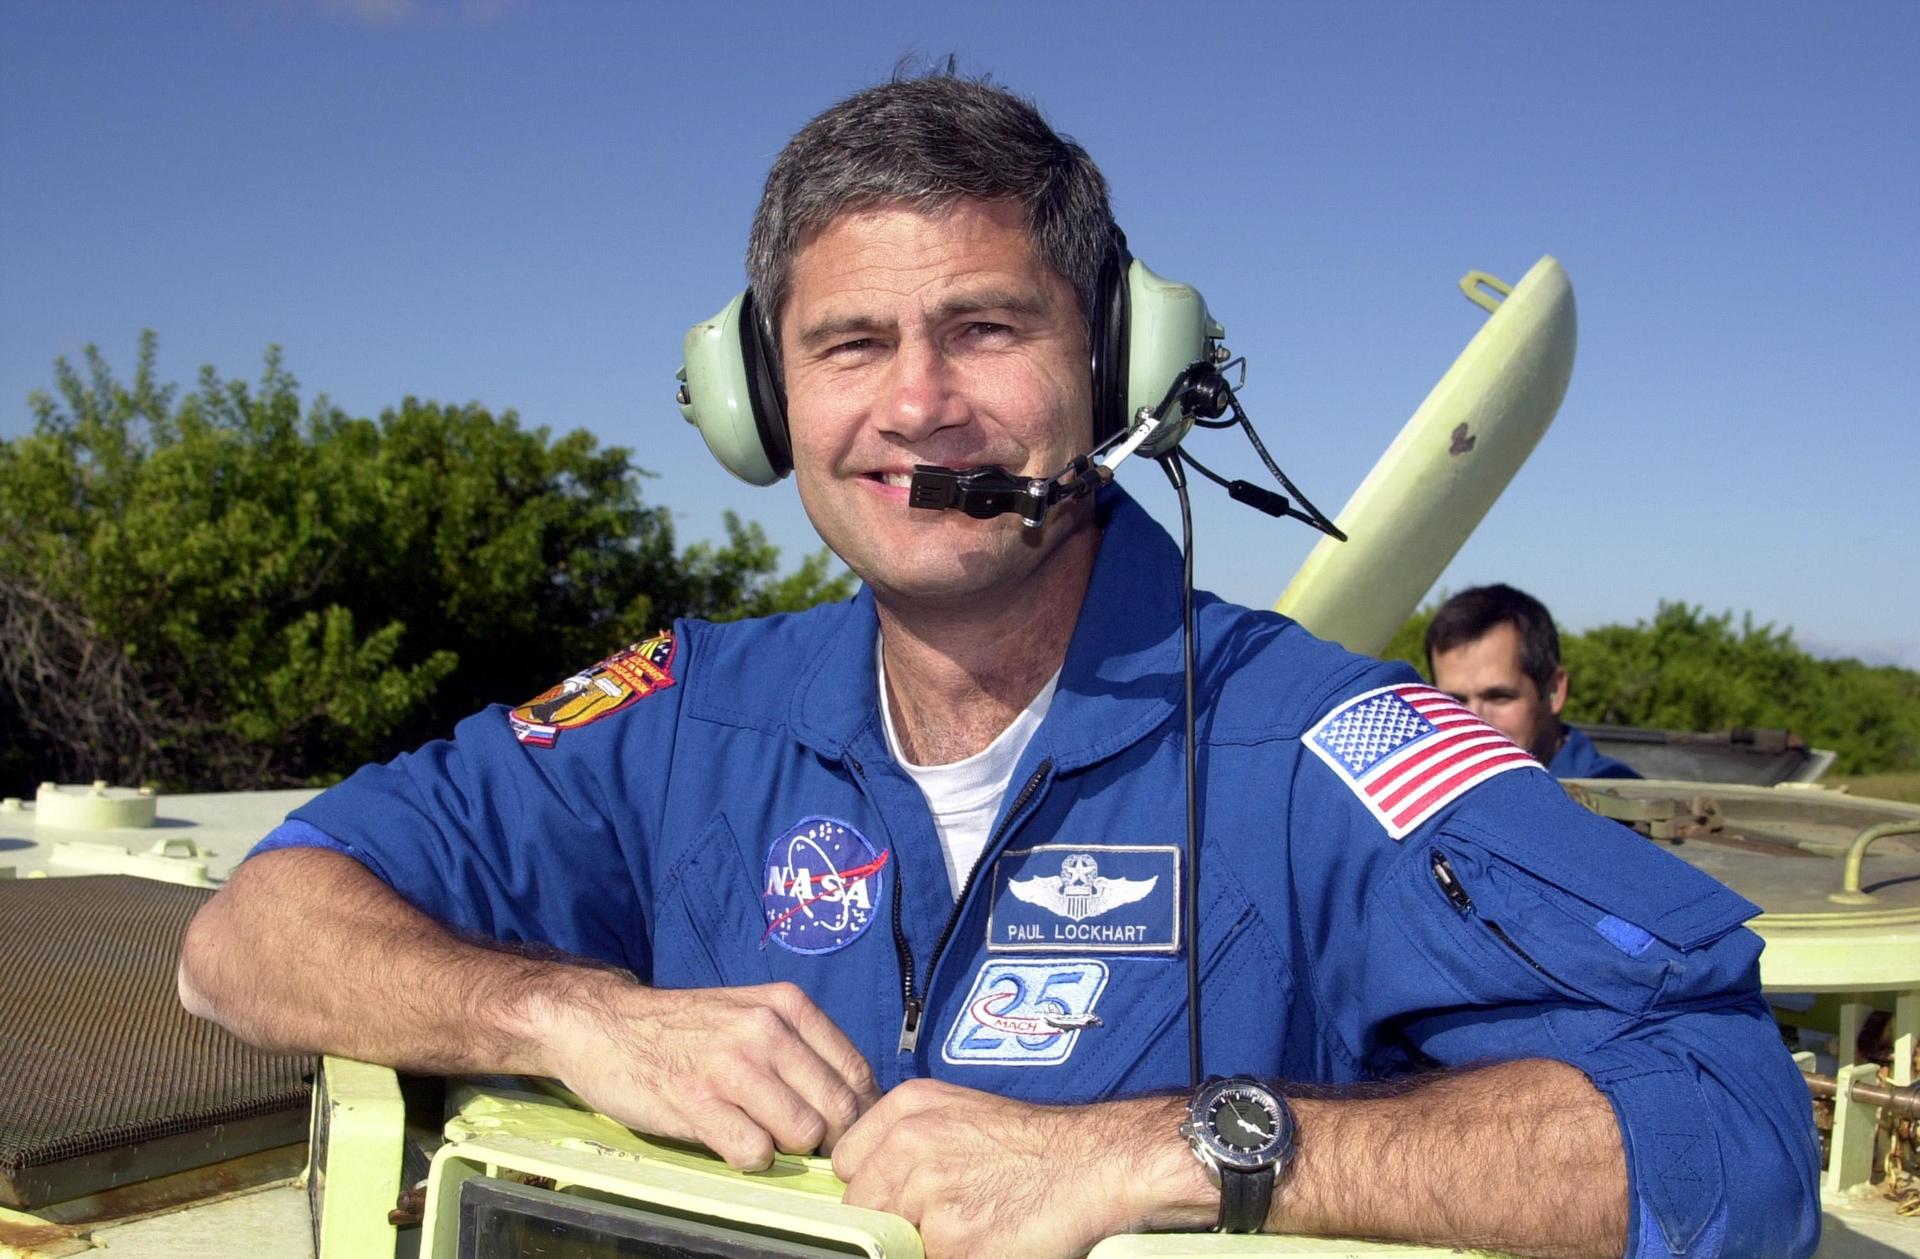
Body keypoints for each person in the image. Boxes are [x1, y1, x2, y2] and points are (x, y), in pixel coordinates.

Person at [177, 72, 1814, 1258]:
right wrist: (571, 1012)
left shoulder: (1319, 744)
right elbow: (250, 933)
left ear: (1116, 364)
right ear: (761, 404)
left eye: (985, 328)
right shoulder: (680, 715)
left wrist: (1175, 1148)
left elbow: (1735, 1129)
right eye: (849, 343)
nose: (917, 404)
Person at [1426, 583, 1642, 780]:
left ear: (1555, 691)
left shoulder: (1619, 804)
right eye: (1452, 702)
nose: (1473, 722)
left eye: (1499, 697)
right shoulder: (1425, 796)